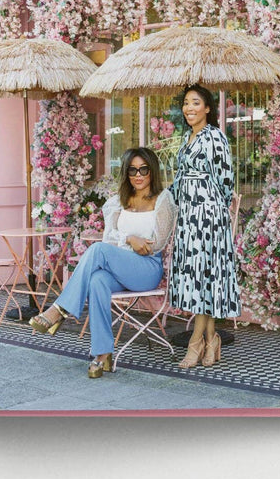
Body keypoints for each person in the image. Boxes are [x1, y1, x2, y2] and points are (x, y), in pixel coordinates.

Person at [30, 147, 176, 377]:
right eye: (132, 170)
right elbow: (111, 239)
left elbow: (156, 243)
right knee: (98, 280)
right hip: (122, 267)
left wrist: (131, 243)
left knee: (98, 250)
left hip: (147, 268)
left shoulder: (163, 199)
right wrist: (130, 238)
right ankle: (102, 354)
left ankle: (59, 309)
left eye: (144, 169)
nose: (138, 175)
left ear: (152, 171)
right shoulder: (119, 201)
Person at [169, 84, 240, 369]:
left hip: (208, 218)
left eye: (195, 103)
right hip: (188, 218)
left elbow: (226, 181)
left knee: (203, 278)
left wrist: (209, 209)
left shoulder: (215, 137)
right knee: (203, 281)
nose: (189, 108)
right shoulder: (187, 138)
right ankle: (212, 340)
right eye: (186, 103)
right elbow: (179, 180)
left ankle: (195, 342)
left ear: (207, 108)